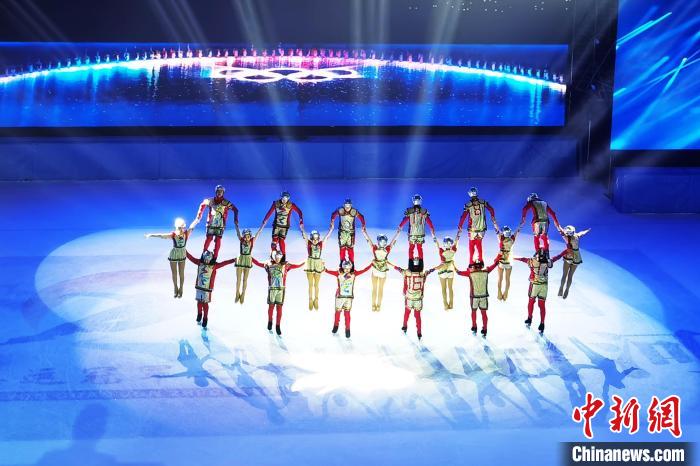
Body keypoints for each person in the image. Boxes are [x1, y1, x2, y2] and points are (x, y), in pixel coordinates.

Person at [513, 249, 566, 334]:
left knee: (531, 302)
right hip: (544, 286)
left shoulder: (532, 261)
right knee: (542, 305)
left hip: (535, 285)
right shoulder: (548, 262)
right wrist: (565, 251)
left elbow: (523, 259)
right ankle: (542, 323)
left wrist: (513, 257)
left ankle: (529, 318)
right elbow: (557, 257)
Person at [252, 251, 304, 336]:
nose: (278, 258)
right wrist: (250, 257)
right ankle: (270, 321)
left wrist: (305, 261)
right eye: (276, 256)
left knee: (279, 308)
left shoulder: (285, 265)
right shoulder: (269, 264)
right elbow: (258, 263)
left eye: (279, 257)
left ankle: (278, 326)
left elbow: (297, 265)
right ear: (273, 257)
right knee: (271, 307)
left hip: (281, 290)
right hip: (272, 289)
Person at [185, 250, 236, 329]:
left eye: (208, 259)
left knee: (205, 303)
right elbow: (191, 258)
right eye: (205, 259)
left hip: (207, 289)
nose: (206, 261)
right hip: (199, 287)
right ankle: (199, 314)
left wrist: (233, 260)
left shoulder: (214, 266)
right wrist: (185, 251)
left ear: (211, 259)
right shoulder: (200, 263)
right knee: (199, 302)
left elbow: (224, 263)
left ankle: (205, 318)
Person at [145, 217, 193, 298]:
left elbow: (192, 226)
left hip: (182, 253)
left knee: (181, 273)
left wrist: (198, 218)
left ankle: (181, 288)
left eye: (182, 227)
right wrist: (151, 235)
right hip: (174, 254)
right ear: (177, 227)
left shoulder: (186, 233)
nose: (181, 228)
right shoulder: (173, 234)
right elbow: (161, 235)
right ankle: (175, 288)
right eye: (180, 227)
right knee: (174, 273)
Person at [391, 258, 437, 340]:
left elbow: (399, 269)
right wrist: (434, 268)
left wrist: (390, 264)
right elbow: (429, 271)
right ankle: (419, 333)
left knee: (407, 313)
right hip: (418, 299)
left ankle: (405, 326)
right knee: (418, 316)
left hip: (409, 298)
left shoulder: (407, 272)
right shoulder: (422, 273)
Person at [324, 260, 372, 338]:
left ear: (350, 268)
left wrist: (371, 265)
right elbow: (328, 271)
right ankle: (335, 326)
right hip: (340, 297)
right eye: (345, 268)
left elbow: (363, 270)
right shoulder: (339, 274)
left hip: (348, 298)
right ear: (343, 268)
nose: (347, 270)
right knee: (337, 313)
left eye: (348, 268)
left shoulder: (353, 274)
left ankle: (348, 330)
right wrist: (323, 269)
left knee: (347, 314)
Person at [456, 255, 501, 337]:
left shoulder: (470, 273)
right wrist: (499, 257)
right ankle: (485, 329)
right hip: (484, 296)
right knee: (484, 313)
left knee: (473, 311)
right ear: (482, 266)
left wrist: (453, 265)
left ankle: (474, 326)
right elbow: (495, 265)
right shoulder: (486, 271)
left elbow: (458, 272)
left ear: (474, 266)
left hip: (474, 297)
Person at [192, 185, 239, 259]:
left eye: (221, 191)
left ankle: (215, 257)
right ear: (216, 192)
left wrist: (236, 219)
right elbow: (202, 204)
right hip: (211, 223)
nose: (219, 193)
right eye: (218, 191)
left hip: (220, 225)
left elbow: (235, 210)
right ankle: (203, 254)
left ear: (223, 192)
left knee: (218, 240)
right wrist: (199, 215)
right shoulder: (210, 200)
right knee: (209, 238)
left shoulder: (226, 202)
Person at [457, 187, 498, 264]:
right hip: (482, 229)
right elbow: (491, 209)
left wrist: (460, 226)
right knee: (479, 245)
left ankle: (471, 262)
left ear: (470, 194)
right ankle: (481, 260)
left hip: (472, 230)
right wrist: (493, 217)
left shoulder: (468, 205)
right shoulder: (483, 202)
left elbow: (463, 217)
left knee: (471, 245)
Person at [362, 230, 400, 311]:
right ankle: (378, 306)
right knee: (380, 289)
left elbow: (368, 240)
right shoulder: (387, 249)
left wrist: (364, 232)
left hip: (375, 270)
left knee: (374, 288)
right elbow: (393, 241)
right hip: (382, 272)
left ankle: (373, 306)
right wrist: (398, 233)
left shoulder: (375, 248)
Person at [260, 191, 304, 256]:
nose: (284, 201)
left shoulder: (291, 205)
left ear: (288, 199)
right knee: (274, 241)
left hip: (285, 226)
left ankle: (283, 256)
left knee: (281, 240)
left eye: (286, 199)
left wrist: (301, 221)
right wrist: (264, 220)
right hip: (276, 225)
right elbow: (269, 212)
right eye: (283, 199)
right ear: (281, 197)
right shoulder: (276, 203)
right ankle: (274, 255)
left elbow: (299, 212)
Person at [519, 192, 560, 261]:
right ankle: (547, 253)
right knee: (544, 237)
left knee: (536, 237)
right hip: (546, 222)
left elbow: (524, 209)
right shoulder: (545, 203)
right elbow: (553, 213)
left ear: (530, 198)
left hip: (537, 221)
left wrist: (523, 219)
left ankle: (538, 252)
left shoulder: (532, 202)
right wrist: (556, 222)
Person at [396, 194, 436, 261]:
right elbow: (429, 221)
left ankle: (411, 262)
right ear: (421, 201)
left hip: (412, 234)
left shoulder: (409, 210)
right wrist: (432, 228)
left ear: (413, 201)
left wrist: (400, 226)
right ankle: (421, 262)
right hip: (420, 234)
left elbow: (405, 220)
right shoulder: (424, 211)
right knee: (419, 248)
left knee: (411, 248)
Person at [302, 227, 332, 310]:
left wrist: (331, 229)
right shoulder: (308, 243)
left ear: (318, 238)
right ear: (311, 238)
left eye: (316, 239)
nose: (315, 240)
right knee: (310, 284)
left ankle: (316, 299)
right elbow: (305, 235)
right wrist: (302, 228)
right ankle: (310, 299)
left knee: (316, 284)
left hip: (318, 263)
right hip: (310, 263)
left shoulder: (321, 244)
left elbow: (326, 237)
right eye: (313, 239)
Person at [557, 225, 591, 299]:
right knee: (570, 276)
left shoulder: (566, 238)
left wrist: (557, 224)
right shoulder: (576, 236)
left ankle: (561, 289)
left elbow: (560, 230)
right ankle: (567, 290)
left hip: (569, 255)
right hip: (577, 256)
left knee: (564, 275)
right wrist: (587, 230)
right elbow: (582, 233)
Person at [329, 198, 366, 263]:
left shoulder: (354, 211)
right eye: (346, 205)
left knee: (350, 248)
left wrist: (363, 224)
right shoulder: (341, 210)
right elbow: (333, 214)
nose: (347, 207)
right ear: (344, 205)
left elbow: (361, 217)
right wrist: (332, 222)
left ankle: (352, 263)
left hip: (351, 233)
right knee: (342, 248)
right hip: (342, 232)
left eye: (348, 205)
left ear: (351, 205)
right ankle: (342, 263)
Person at [234, 225, 263, 304]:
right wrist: (236, 225)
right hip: (240, 259)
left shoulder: (252, 241)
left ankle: (243, 294)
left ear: (250, 236)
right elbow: (238, 233)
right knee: (238, 279)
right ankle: (237, 293)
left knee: (245, 279)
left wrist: (262, 225)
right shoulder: (241, 240)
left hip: (248, 259)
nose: (247, 238)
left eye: (248, 237)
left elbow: (258, 233)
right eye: (245, 237)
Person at [433, 233, 461, 310]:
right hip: (451, 270)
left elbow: (437, 244)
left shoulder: (441, 251)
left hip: (442, 270)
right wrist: (458, 234)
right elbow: (456, 242)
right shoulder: (453, 251)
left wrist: (434, 236)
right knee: (450, 288)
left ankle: (445, 304)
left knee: (443, 288)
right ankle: (451, 304)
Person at [494, 224, 522, 301]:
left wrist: (495, 224)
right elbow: (516, 232)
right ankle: (506, 293)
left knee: (500, 278)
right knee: (508, 279)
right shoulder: (511, 240)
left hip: (501, 261)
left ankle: (499, 293)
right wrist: (519, 227)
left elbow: (497, 231)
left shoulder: (501, 239)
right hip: (509, 261)